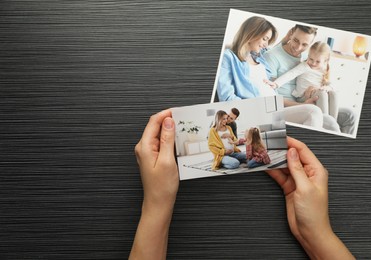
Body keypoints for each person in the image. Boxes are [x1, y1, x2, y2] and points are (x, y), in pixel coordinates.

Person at [130, 110, 355, 259]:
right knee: (229, 162)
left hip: (236, 152)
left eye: (229, 120)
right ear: (219, 119)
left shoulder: (231, 131)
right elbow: (215, 148)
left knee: (240, 159)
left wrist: (235, 147)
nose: (228, 122)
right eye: (225, 119)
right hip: (221, 155)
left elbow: (237, 145)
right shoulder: (212, 132)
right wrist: (226, 150)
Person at [216, 16, 325, 129]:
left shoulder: (258, 56)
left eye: (268, 40)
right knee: (314, 111)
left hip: (276, 107)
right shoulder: (229, 57)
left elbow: (272, 50)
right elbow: (227, 97)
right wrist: (256, 109)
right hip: (263, 111)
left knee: (329, 121)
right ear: (251, 34)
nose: (266, 44)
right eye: (265, 39)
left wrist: (287, 38)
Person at [263, 24, 356, 134]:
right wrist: (303, 104)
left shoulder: (309, 56)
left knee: (350, 115)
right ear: (290, 33)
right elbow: (269, 98)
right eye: (296, 41)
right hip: (289, 107)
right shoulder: (271, 57)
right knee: (329, 121)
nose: (298, 48)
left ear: (311, 44)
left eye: (305, 44)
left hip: (312, 102)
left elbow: (321, 76)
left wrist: (319, 88)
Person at [269, 41, 339, 119]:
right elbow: (291, 74)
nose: (313, 63)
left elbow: (331, 85)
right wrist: (276, 84)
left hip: (318, 94)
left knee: (333, 94)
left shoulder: (325, 69)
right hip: (303, 96)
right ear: (308, 55)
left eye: (318, 61)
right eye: (311, 59)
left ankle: (333, 122)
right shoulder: (305, 66)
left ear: (325, 61)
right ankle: (325, 122)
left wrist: (327, 88)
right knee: (322, 93)